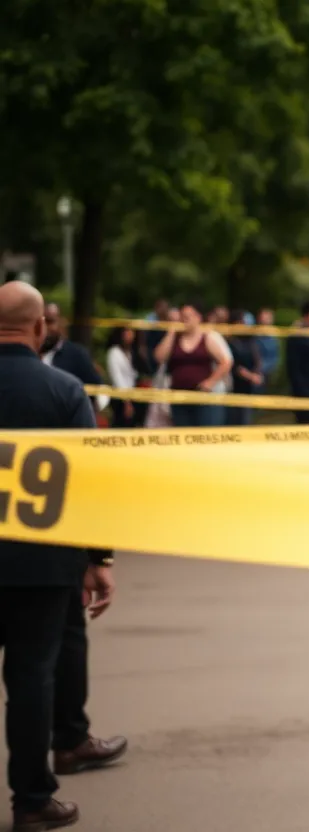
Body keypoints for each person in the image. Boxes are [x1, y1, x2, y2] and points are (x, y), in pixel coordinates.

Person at [0, 281, 120, 831]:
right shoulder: (65, 390)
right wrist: (99, 558)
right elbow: (91, 483)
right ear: (41, 328)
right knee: (31, 681)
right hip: (42, 563)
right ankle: (31, 802)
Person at [153, 301, 233, 427]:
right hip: (178, 397)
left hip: (203, 398)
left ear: (198, 318)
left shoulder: (207, 337)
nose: (184, 320)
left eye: (187, 317)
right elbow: (159, 357)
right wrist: (171, 333)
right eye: (182, 316)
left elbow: (226, 362)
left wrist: (211, 382)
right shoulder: (175, 338)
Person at [40, 303, 102, 410]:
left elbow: (97, 389)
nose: (45, 328)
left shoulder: (77, 355)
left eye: (50, 322)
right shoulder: (27, 353)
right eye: (41, 323)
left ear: (61, 323)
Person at [225, 309, 263, 426]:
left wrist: (256, 373)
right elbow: (234, 366)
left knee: (245, 419)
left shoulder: (249, 340)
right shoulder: (230, 342)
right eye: (241, 321)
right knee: (235, 420)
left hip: (248, 388)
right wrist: (251, 376)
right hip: (234, 387)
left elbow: (256, 358)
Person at [104, 326, 145, 429]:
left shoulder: (132, 353)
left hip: (133, 395)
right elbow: (117, 378)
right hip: (120, 398)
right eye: (127, 331)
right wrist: (126, 402)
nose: (130, 335)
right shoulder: (114, 353)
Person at [254, 307, 281, 390]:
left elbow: (275, 357)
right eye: (263, 318)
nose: (265, 320)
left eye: (267, 318)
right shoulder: (253, 335)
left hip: (267, 373)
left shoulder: (274, 336)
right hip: (252, 373)